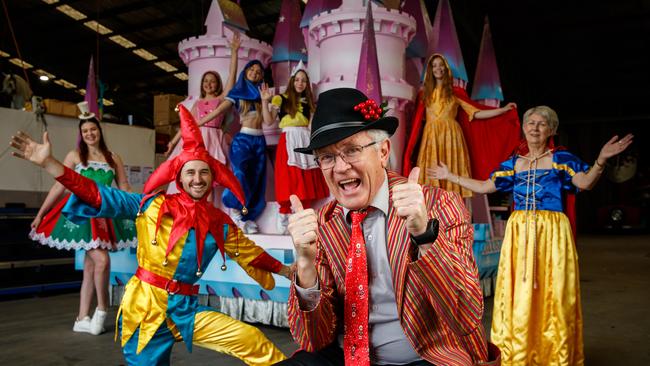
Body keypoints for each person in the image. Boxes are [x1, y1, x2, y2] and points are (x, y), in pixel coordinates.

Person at [11, 105, 289, 365]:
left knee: (252, 340)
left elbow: (252, 254)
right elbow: (95, 193)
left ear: (213, 177)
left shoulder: (220, 222)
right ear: (178, 178)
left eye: (204, 172)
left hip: (186, 309)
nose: (197, 179)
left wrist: (289, 273)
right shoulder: (150, 205)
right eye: (189, 172)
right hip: (145, 309)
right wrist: (49, 163)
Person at [277, 88, 500, 366]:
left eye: (351, 150)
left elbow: (465, 314)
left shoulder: (438, 205)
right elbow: (313, 339)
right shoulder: (322, 224)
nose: (341, 167)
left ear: (383, 152)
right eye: (327, 157)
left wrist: (424, 235)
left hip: (425, 357)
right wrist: (306, 267)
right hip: (344, 357)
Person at [428, 105, 634, 365]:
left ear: (551, 130)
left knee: (553, 291)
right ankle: (521, 352)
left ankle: (552, 353)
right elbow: (484, 186)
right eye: (530, 123)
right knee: (520, 291)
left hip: (552, 233)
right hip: (520, 233)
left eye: (541, 123)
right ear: (524, 129)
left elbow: (584, 183)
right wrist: (450, 176)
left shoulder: (561, 159)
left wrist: (601, 160)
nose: (535, 127)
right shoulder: (514, 164)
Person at [29, 101, 137, 335]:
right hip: (80, 216)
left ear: (100, 131)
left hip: (104, 215)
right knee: (102, 261)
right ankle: (102, 309)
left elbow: (124, 187)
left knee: (90, 267)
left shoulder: (113, 157)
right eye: (85, 131)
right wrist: (41, 214)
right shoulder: (75, 156)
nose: (89, 133)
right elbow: (59, 188)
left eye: (93, 129)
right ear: (81, 134)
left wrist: (143, 201)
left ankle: (81, 318)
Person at [403, 53, 518, 197]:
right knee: (429, 178)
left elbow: (476, 113)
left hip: (451, 137)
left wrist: (503, 110)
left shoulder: (455, 93)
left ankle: (455, 214)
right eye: (434, 66)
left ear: (446, 68)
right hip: (431, 138)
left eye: (441, 65)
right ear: (430, 70)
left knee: (452, 179)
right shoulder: (424, 94)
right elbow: (416, 122)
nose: (438, 68)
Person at [164, 34, 241, 208]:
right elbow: (186, 124)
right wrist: (172, 142)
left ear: (217, 84)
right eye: (206, 81)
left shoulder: (221, 99)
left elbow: (232, 78)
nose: (209, 84)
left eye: (213, 81)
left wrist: (234, 52)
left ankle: (208, 210)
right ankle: (193, 208)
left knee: (210, 177)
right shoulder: (197, 104)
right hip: (199, 140)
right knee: (195, 174)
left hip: (214, 139)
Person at [199, 59, 270, 234]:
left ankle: (248, 217)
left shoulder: (264, 94)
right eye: (251, 69)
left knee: (257, 180)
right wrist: (197, 123)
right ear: (245, 72)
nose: (255, 73)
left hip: (259, 141)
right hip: (243, 141)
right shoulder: (237, 93)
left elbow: (268, 121)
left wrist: (266, 101)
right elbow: (218, 111)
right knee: (239, 175)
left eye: (258, 71)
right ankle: (236, 211)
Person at [260, 61, 329, 234]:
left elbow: (312, 125)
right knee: (287, 177)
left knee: (304, 178)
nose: (300, 83)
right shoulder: (280, 99)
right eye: (297, 79)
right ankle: (284, 215)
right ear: (292, 81)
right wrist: (264, 102)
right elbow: (268, 121)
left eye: (303, 81)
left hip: (304, 140)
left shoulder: (310, 103)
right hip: (288, 139)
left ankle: (301, 216)